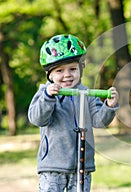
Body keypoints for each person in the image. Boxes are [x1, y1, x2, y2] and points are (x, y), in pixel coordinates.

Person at [28, 34, 119, 192]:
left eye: (73, 69)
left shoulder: (86, 93)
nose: (67, 74)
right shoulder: (45, 92)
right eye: (59, 71)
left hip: (82, 166)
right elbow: (37, 118)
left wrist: (109, 106)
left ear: (81, 69)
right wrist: (48, 97)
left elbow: (99, 121)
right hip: (53, 166)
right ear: (49, 75)